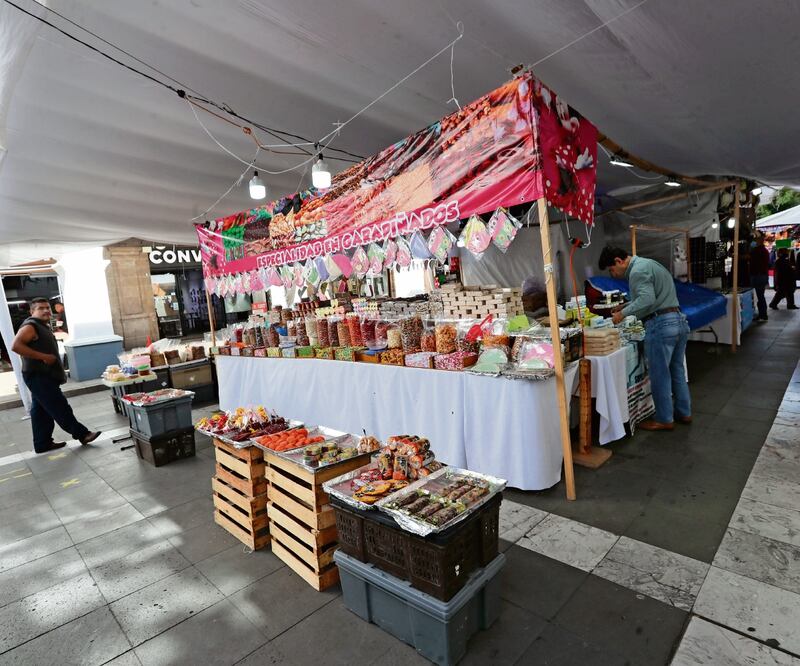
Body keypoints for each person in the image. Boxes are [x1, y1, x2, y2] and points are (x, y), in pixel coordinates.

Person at [599, 246, 691, 431]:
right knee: (677, 370)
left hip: (661, 325)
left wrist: (622, 314)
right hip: (678, 320)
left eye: (612, 270)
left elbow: (647, 300)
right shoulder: (648, 264)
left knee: (660, 374)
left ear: (618, 261)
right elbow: (649, 296)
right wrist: (625, 305)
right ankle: (684, 412)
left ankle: (665, 418)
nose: (613, 274)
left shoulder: (637, 271)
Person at [11, 298, 100, 453]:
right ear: (32, 312)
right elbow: (16, 346)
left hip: (43, 375)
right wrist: (43, 357)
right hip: (38, 375)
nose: (46, 311)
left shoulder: (41, 325)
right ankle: (82, 434)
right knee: (59, 406)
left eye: (48, 308)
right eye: (41, 308)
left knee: (40, 411)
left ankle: (42, 443)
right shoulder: (30, 326)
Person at [749, 235, 770, 321]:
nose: (754, 242)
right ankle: (763, 314)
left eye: (755, 240)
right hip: (763, 275)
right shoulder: (765, 250)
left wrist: (735, 255)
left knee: (759, 296)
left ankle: (763, 314)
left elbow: (748, 257)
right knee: (760, 296)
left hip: (758, 275)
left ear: (759, 241)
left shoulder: (757, 250)